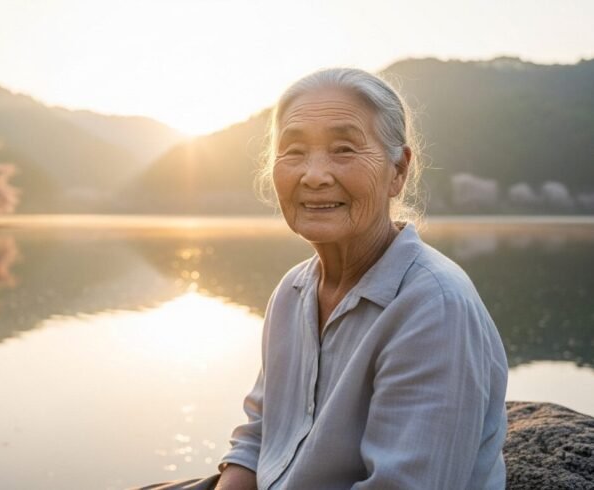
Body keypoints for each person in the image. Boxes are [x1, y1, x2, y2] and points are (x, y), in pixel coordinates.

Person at [134, 68, 508, 490]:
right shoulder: (293, 291)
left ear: (398, 170)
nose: (313, 175)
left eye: (343, 149)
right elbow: (258, 440)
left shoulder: (432, 307)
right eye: (293, 152)